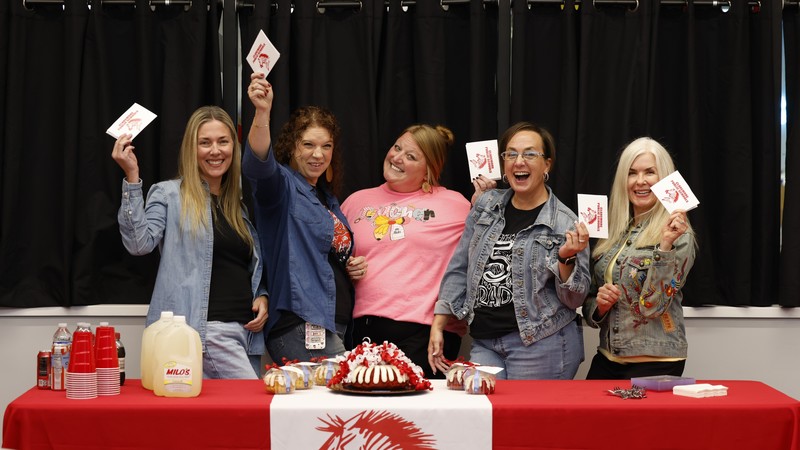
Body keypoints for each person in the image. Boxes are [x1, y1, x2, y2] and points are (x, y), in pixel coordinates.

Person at [112, 106, 268, 379]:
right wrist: (132, 177)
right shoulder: (169, 194)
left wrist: (261, 295)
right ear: (191, 149)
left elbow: (237, 266)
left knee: (216, 422)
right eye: (204, 143)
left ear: (234, 145)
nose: (215, 151)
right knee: (253, 409)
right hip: (204, 333)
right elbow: (139, 244)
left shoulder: (237, 206)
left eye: (223, 141)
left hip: (245, 335)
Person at [429, 122, 590, 380]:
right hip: (484, 342)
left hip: (540, 343)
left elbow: (575, 299)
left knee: (528, 421)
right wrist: (438, 324)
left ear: (547, 164)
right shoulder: (485, 206)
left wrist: (566, 256)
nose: (519, 161)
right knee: (483, 417)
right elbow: (459, 267)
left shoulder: (565, 222)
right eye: (511, 154)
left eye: (529, 154)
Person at [242, 73, 366, 362]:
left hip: (333, 322)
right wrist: (262, 112)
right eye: (308, 145)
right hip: (300, 322)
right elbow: (257, 164)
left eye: (326, 146)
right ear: (293, 146)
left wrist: (351, 266)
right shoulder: (281, 186)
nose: (318, 154)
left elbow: (320, 255)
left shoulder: (327, 198)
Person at [341, 124, 472, 379]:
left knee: (419, 415)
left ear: (429, 171)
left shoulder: (456, 205)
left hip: (425, 333)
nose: (397, 158)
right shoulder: (355, 201)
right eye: (397, 148)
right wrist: (347, 269)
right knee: (366, 412)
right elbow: (333, 263)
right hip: (363, 328)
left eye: (411, 156)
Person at [582, 137, 697, 379]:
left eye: (650, 172)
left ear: (664, 178)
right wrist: (600, 307)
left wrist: (665, 245)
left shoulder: (679, 235)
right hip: (608, 357)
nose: (640, 181)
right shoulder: (612, 233)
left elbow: (654, 306)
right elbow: (590, 300)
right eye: (632, 173)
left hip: (657, 363)